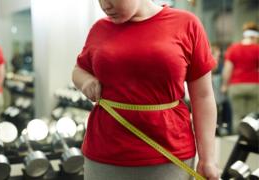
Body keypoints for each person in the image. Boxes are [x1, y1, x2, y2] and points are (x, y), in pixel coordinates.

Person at [72, 0, 219, 180]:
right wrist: (85, 81)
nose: (105, 5)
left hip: (168, 153)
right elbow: (79, 70)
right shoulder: (99, 29)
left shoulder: (186, 24)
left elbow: (203, 97)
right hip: (105, 152)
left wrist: (208, 159)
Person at [221, 22, 259, 134]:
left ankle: (238, 142)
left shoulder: (233, 48)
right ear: (255, 36)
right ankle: (252, 143)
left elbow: (228, 69)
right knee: (252, 117)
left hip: (236, 85)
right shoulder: (257, 49)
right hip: (254, 86)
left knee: (237, 116)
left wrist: (224, 85)